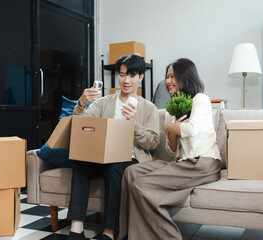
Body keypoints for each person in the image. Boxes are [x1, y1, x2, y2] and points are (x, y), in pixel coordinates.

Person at [118, 58, 221, 240]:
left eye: (173, 76)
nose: (168, 81)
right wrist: (172, 130)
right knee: (131, 172)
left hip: (203, 163)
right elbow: (172, 150)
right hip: (182, 162)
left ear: (185, 77)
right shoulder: (172, 108)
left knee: (141, 185)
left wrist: (168, 128)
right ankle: (126, 234)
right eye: (167, 76)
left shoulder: (200, 99)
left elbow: (191, 129)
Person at [67, 55, 159, 240]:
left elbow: (153, 142)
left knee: (114, 168)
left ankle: (109, 232)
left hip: (129, 158)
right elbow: (80, 123)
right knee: (79, 161)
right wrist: (81, 103)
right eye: (122, 74)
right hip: (101, 155)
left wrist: (134, 124)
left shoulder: (149, 108)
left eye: (132, 75)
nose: (126, 80)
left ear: (141, 77)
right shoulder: (105, 102)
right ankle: (76, 230)